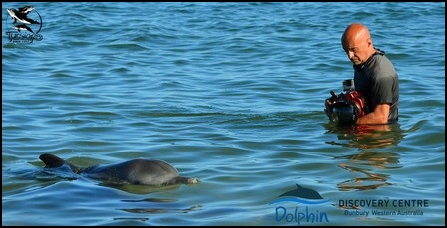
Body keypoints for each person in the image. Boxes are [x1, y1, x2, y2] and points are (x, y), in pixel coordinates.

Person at [334, 22, 399, 125]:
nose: (350, 56)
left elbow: (381, 118)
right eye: (346, 50)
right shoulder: (362, 63)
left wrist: (346, 125)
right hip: (364, 128)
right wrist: (338, 106)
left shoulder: (381, 73)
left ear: (369, 43)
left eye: (353, 49)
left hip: (381, 135)